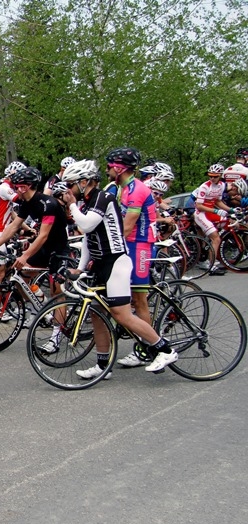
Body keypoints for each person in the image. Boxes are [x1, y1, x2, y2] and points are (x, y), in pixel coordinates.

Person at [59, 159, 179, 378]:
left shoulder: (103, 198)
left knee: (122, 314)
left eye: (70, 184)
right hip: (101, 264)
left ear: (84, 182)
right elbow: (88, 238)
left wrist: (72, 205)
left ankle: (165, 349)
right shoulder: (88, 202)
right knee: (97, 314)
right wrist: (81, 268)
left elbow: (85, 225)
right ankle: (103, 365)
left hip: (116, 262)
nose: (67, 190)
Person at [0, 167, 69, 328]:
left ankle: (57, 335)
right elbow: (13, 226)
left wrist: (24, 256)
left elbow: (43, 235)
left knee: (57, 292)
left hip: (58, 249)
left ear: (25, 187)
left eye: (17, 187)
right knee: (20, 278)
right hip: (44, 248)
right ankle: (42, 308)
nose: (15, 190)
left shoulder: (48, 204)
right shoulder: (26, 203)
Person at [100, 148, 161, 367]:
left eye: (109, 166)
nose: (106, 170)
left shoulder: (136, 190)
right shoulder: (121, 188)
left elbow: (126, 228)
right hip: (129, 244)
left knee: (139, 300)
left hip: (140, 245)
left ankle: (147, 349)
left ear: (119, 168)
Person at [192, 162, 236, 275]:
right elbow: (199, 206)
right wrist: (216, 211)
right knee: (216, 239)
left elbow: (218, 202)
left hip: (210, 212)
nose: (212, 178)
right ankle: (212, 266)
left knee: (229, 221)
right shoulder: (205, 186)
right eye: (210, 176)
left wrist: (231, 210)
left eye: (215, 176)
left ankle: (210, 252)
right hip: (201, 214)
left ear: (220, 175)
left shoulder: (221, 185)